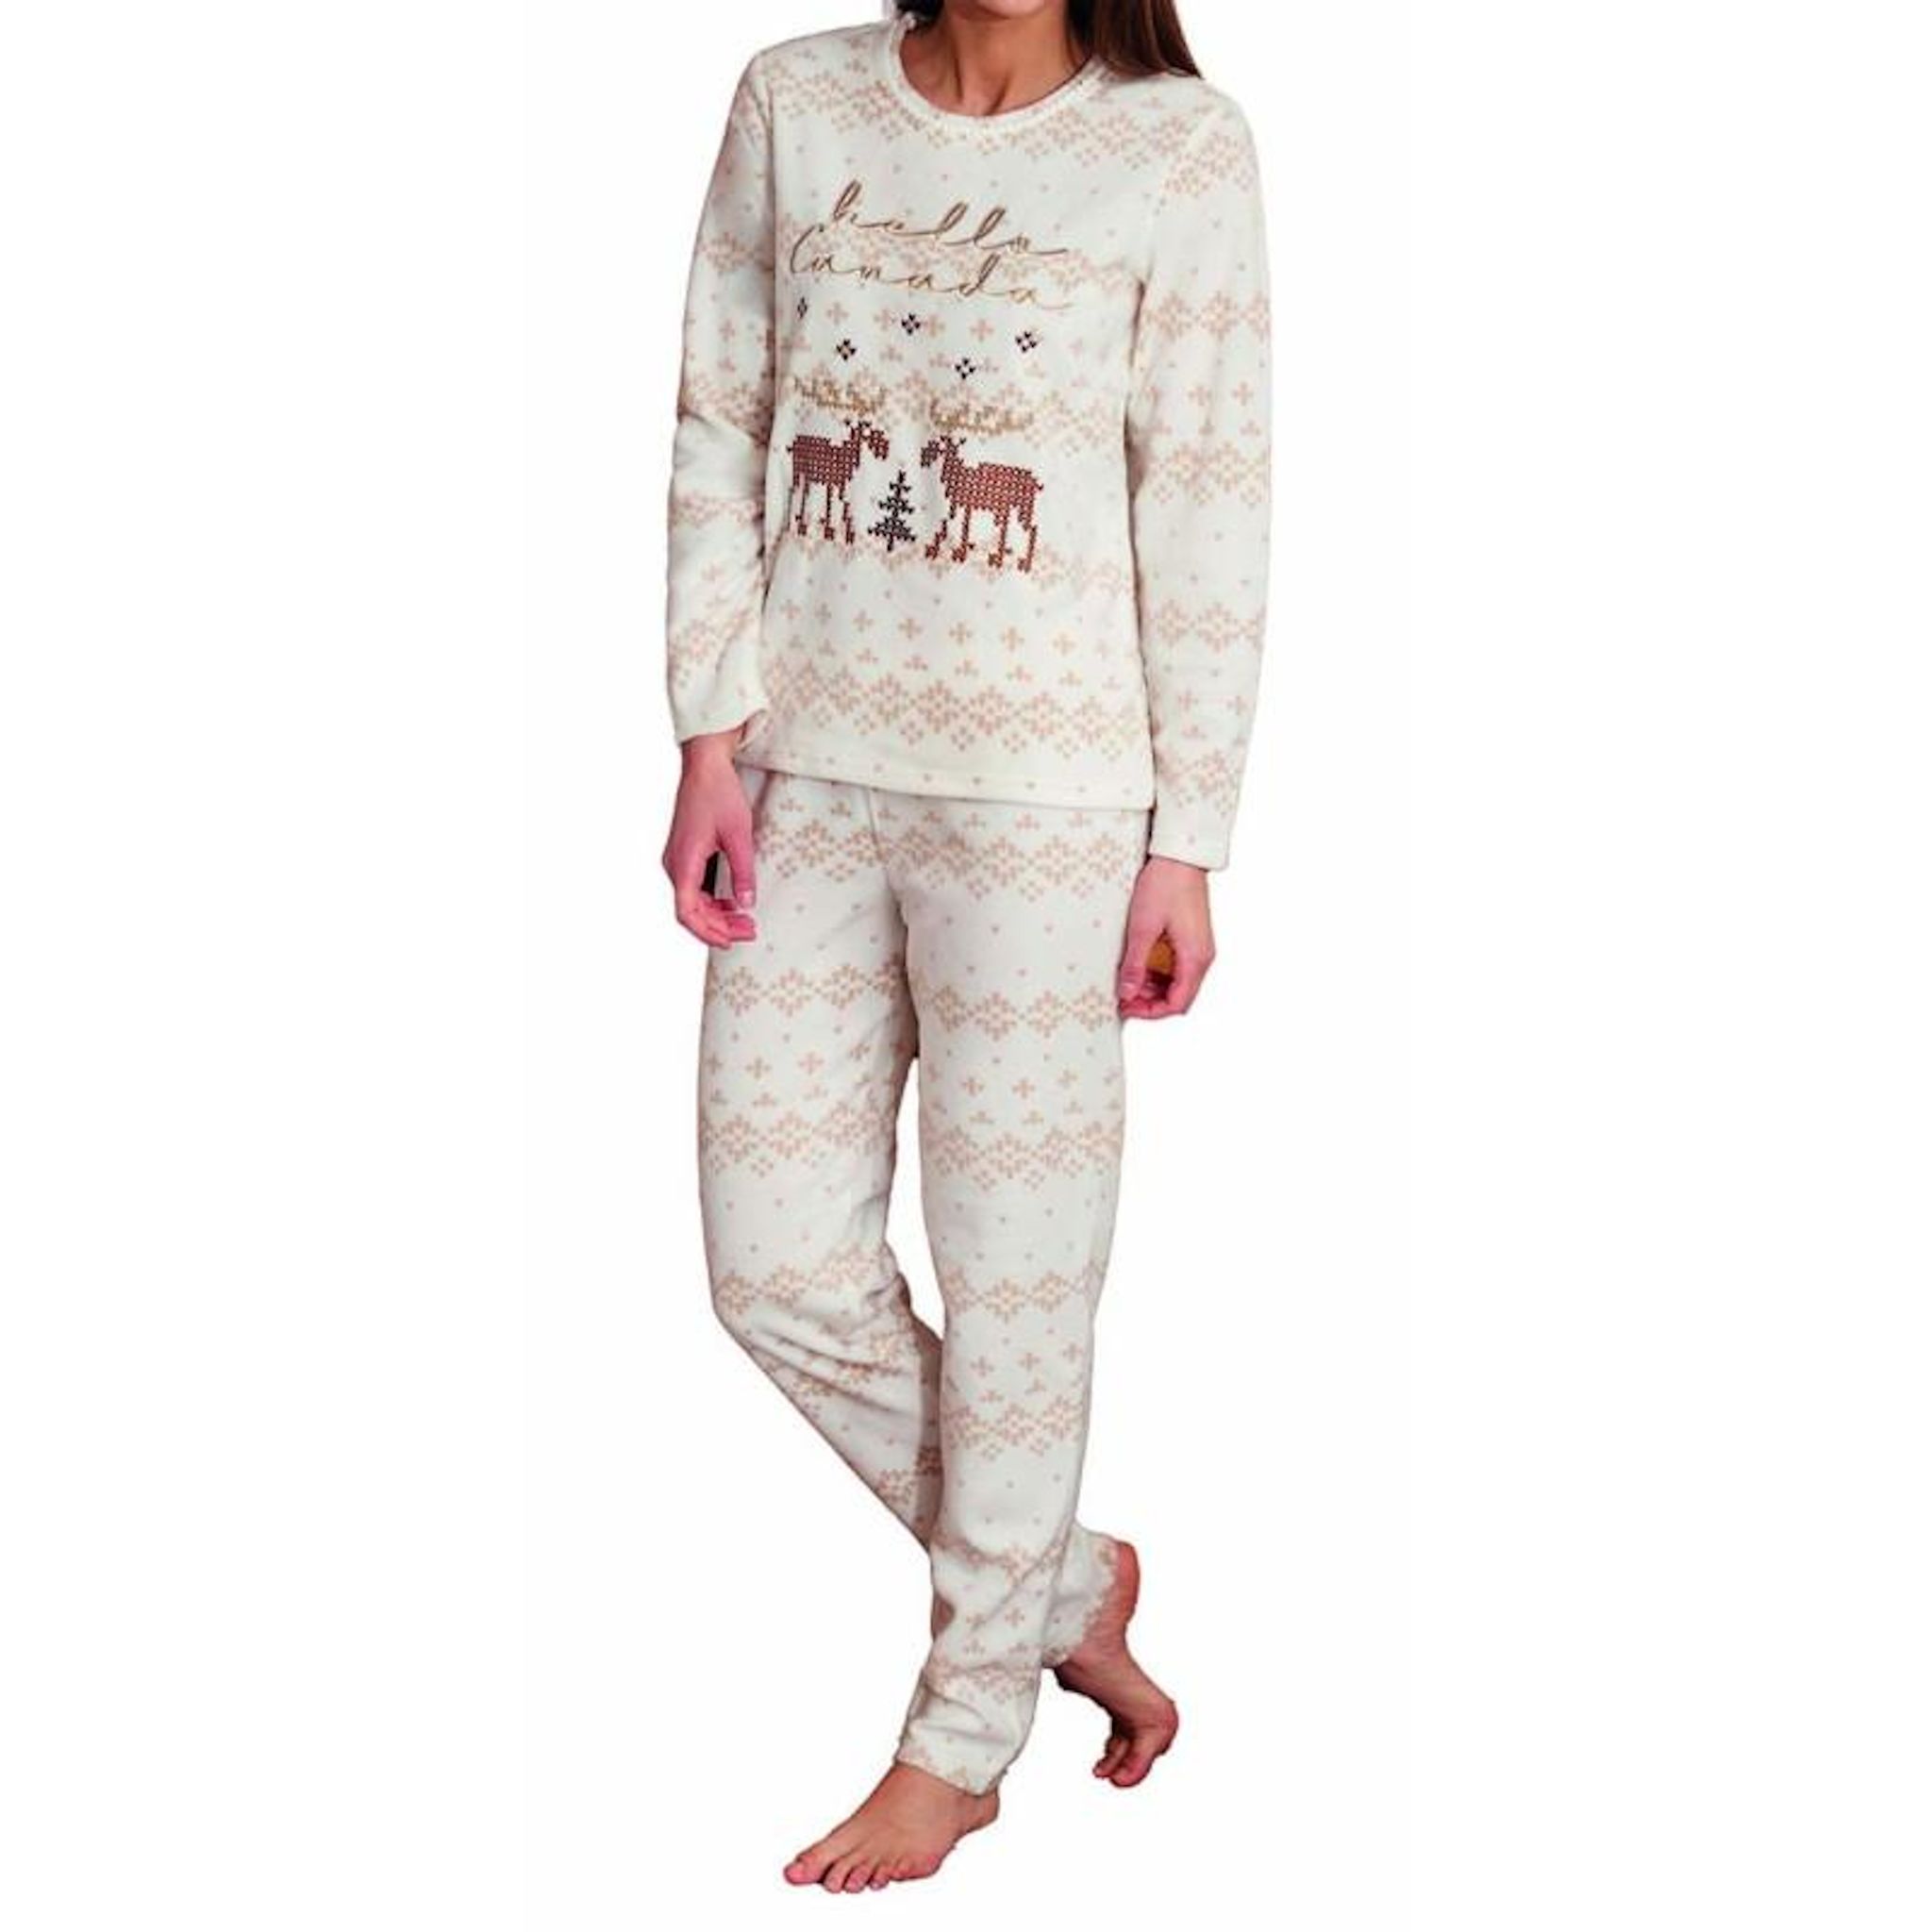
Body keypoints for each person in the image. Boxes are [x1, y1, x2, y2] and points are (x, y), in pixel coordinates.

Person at [660, 0, 1271, 1891]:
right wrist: (705, 731)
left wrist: (1189, 837)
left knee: (1019, 1289)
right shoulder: (794, 101)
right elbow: (722, 413)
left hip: (1052, 802)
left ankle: (964, 1733)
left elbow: (1210, 492)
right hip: (803, 770)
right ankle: (1066, 1586)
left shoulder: (1178, 146)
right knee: (774, 1267)